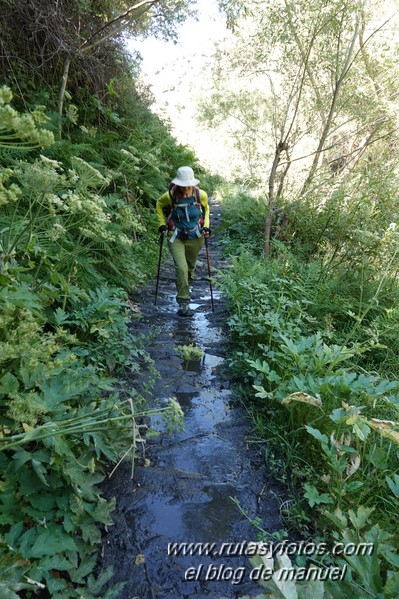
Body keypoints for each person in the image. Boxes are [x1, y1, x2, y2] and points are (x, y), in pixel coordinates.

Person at [156, 166, 211, 316]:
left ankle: (185, 285)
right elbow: (159, 205)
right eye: (183, 185)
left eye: (188, 185)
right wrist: (162, 224)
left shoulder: (201, 195)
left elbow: (206, 211)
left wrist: (206, 227)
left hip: (196, 237)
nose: (186, 188)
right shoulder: (170, 195)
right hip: (176, 236)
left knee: (190, 269)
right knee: (181, 268)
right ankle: (184, 302)